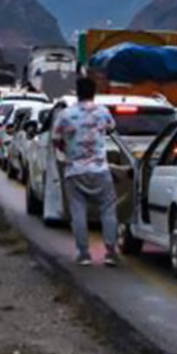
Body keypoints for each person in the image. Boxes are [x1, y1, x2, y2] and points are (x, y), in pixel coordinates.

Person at [52, 77, 120, 266]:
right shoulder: (102, 113)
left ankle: (84, 254)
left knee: (78, 212)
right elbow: (112, 129)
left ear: (77, 92)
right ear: (94, 92)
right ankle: (110, 252)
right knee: (108, 210)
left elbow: (56, 138)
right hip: (100, 168)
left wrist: (67, 149)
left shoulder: (66, 114)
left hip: (74, 170)